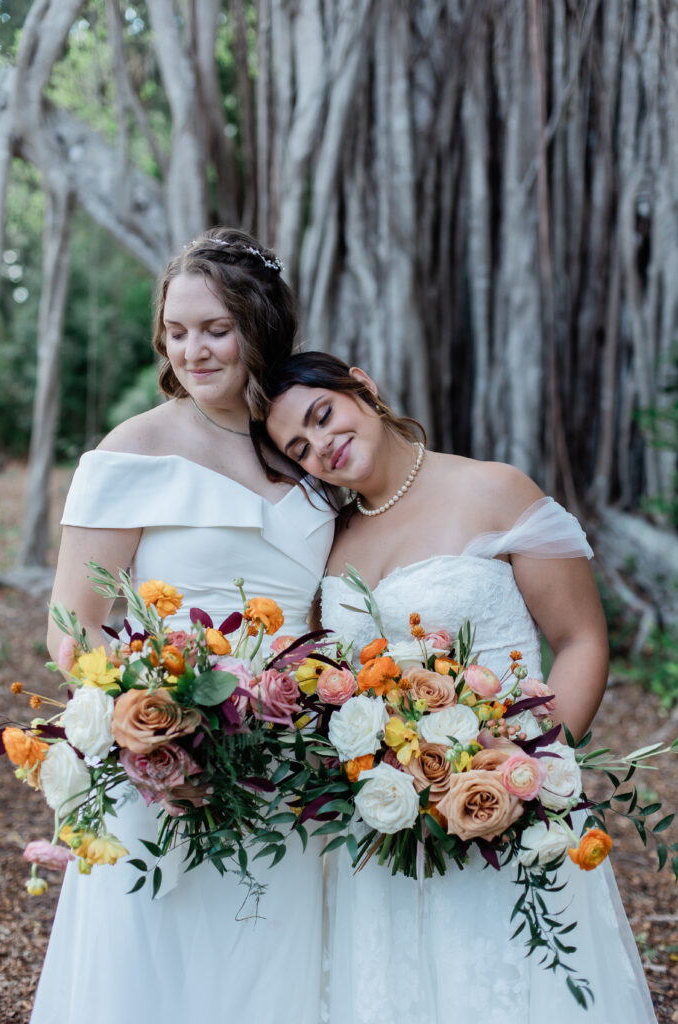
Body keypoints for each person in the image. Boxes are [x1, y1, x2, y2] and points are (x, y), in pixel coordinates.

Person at [255, 350, 658, 1024]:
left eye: (323, 416)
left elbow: (583, 640)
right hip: (385, 820)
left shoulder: (493, 489)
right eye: (300, 447)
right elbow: (335, 682)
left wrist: (539, 769)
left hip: (507, 798)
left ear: (363, 387)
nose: (321, 446)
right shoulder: (330, 539)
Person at [31, 231, 335, 1024]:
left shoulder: (303, 452)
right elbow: (73, 626)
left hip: (285, 765)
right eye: (176, 330)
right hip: (164, 764)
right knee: (156, 963)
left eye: (215, 329)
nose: (192, 351)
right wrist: (168, 731)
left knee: (265, 965)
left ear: (260, 325)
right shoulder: (136, 446)